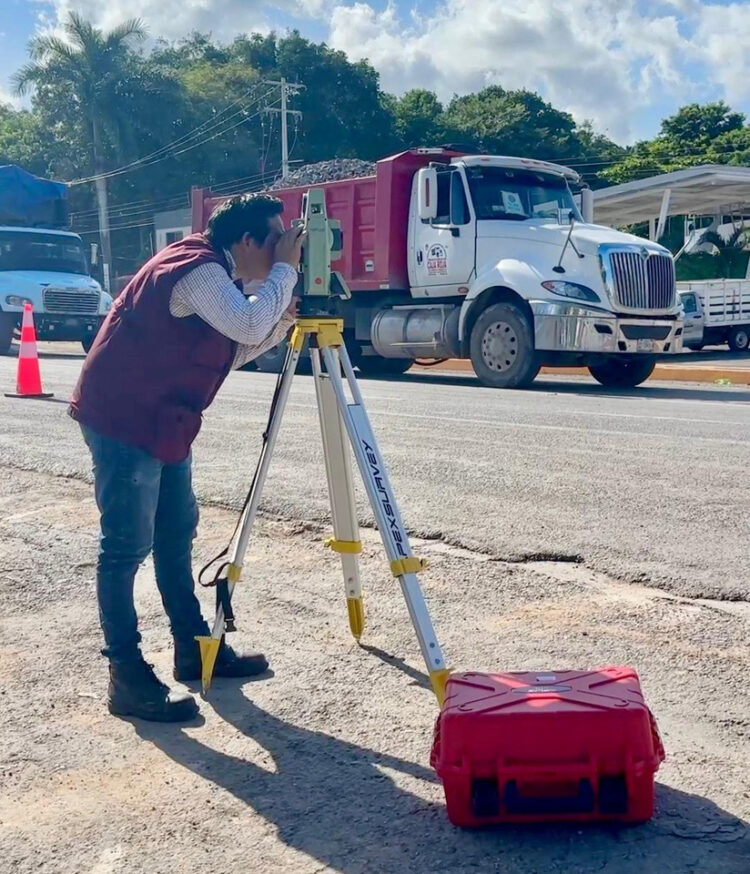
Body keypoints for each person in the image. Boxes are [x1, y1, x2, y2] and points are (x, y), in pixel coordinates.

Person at [69, 194, 304, 722]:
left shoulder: (219, 278)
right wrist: (283, 274)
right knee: (126, 547)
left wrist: (282, 320)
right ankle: (126, 675)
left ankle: (193, 648)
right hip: (125, 417)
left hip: (165, 417)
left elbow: (231, 350)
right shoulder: (197, 269)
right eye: (276, 239)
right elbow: (245, 327)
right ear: (246, 242)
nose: (284, 248)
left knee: (176, 535)